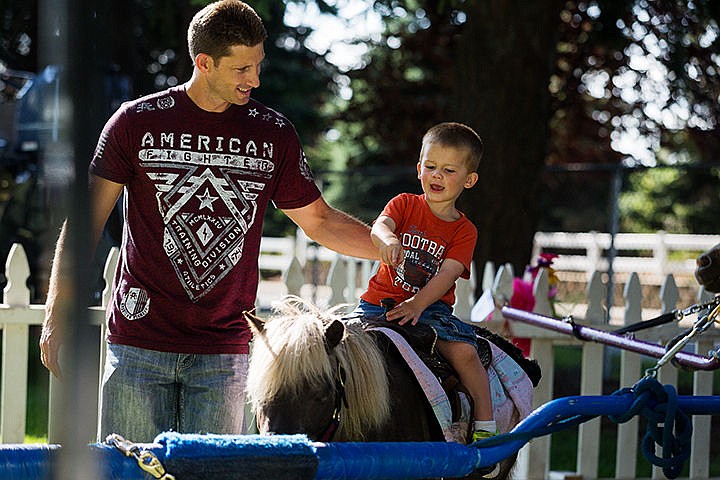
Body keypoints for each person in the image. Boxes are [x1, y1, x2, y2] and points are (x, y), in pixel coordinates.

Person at [39, 0, 377, 443]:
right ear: (204, 62)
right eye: (241, 69)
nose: (255, 80)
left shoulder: (272, 133)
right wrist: (55, 311)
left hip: (225, 351)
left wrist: (397, 252)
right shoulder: (135, 122)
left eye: (258, 65)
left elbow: (320, 221)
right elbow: (86, 222)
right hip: (140, 343)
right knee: (130, 473)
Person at [354, 122, 497, 443]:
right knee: (342, 351)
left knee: (464, 353)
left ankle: (486, 423)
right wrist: (388, 239)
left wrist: (418, 304)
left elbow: (447, 273)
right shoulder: (404, 204)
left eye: (449, 170)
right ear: (419, 169)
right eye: (431, 167)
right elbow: (381, 225)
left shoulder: (464, 231)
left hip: (430, 311)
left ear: (469, 180)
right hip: (378, 304)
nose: (437, 176)